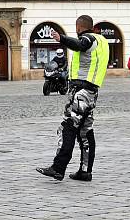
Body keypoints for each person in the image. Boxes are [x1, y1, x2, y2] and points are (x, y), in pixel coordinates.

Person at [37, 15, 109, 182]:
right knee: (85, 132)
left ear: (79, 27)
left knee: (67, 126)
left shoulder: (88, 39)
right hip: (92, 91)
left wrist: (61, 38)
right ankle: (85, 171)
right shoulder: (103, 41)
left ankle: (58, 167)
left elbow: (80, 44)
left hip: (81, 91)